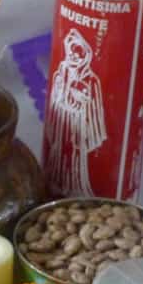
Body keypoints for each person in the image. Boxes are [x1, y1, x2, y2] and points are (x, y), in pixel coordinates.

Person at [45, 28, 107, 196]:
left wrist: (81, 99)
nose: (74, 56)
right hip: (62, 122)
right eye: (71, 52)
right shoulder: (62, 72)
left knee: (74, 156)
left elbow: (93, 106)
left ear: (85, 56)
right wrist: (60, 92)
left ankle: (75, 188)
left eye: (78, 53)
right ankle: (56, 184)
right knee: (58, 153)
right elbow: (56, 98)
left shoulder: (91, 79)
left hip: (77, 122)